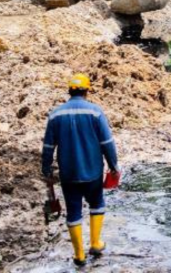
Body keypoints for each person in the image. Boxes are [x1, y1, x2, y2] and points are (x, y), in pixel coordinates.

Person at [42, 74, 119, 267]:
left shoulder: (55, 115)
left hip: (68, 174)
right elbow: (107, 143)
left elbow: (48, 147)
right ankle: (95, 243)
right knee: (97, 203)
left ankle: (79, 255)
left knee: (73, 210)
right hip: (93, 171)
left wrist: (46, 169)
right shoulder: (95, 112)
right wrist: (113, 165)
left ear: (70, 91)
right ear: (86, 91)